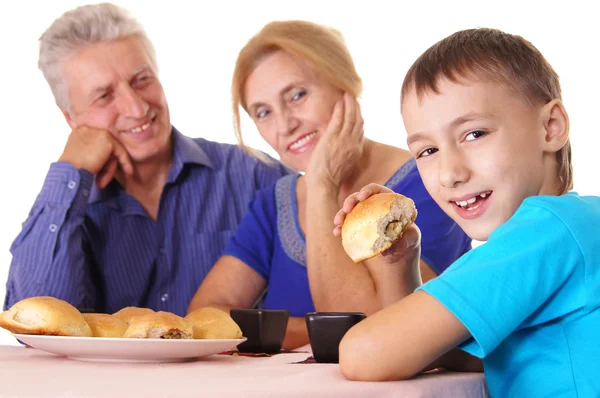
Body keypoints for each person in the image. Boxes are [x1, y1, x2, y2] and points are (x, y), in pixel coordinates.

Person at [335, 28, 599, 397]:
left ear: (550, 127)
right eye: (427, 151)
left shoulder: (547, 232)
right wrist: (402, 262)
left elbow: (365, 353)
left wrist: (379, 347)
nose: (451, 173)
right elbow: (428, 350)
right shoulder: (576, 227)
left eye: (474, 134)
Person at [189, 20, 471, 349]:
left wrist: (322, 186)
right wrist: (313, 333)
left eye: (297, 95)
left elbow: (386, 330)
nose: (285, 124)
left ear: (345, 84)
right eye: (263, 112)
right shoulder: (274, 203)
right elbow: (204, 315)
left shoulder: (429, 181)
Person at [3, 3, 290, 316]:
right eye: (104, 96)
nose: (137, 108)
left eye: (141, 80)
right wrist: (69, 172)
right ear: (70, 118)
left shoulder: (256, 176)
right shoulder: (69, 208)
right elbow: (33, 321)